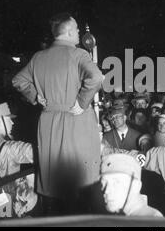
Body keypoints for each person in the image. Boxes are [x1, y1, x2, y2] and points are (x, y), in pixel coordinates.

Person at [12, 13, 104, 214]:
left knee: (56, 189)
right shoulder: (79, 54)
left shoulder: (38, 57)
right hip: (76, 122)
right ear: (69, 32)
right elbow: (96, 77)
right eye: (77, 28)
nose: (79, 31)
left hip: (49, 124)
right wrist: (81, 102)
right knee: (83, 185)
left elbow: (18, 80)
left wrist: (36, 96)